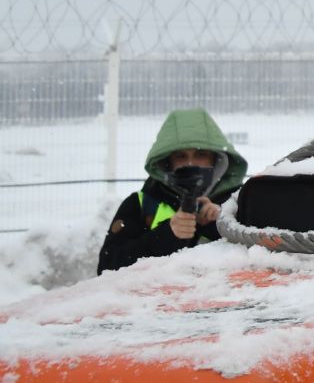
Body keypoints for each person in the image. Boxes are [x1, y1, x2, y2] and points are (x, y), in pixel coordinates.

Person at [97, 107, 248, 274]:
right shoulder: (140, 205)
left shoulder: (239, 202)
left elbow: (262, 257)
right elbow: (107, 267)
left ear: (216, 159)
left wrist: (221, 224)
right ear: (167, 162)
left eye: (201, 154)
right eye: (181, 156)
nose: (191, 164)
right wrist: (166, 235)